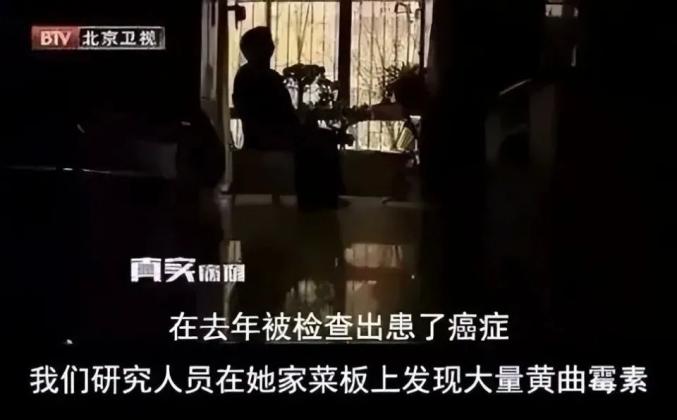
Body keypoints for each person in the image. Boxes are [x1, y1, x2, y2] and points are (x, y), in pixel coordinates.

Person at [232, 27, 344, 210]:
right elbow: (279, 114)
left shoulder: (246, 75)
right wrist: (302, 125)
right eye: (267, 43)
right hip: (269, 136)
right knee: (324, 139)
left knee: (320, 138)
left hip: (264, 135)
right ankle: (319, 198)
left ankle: (319, 197)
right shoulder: (262, 76)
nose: (272, 47)